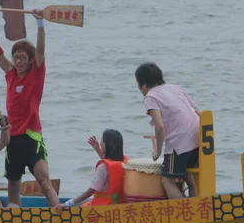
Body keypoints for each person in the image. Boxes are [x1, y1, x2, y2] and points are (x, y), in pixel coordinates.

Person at [0, 4, 59, 208]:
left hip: (32, 135)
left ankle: (59, 213)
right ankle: (15, 219)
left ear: (30, 60)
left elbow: (41, 49)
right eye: (16, 57)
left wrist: (40, 23)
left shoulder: (36, 73)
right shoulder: (10, 74)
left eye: (23, 58)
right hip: (12, 138)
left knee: (44, 181)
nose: (18, 61)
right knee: (13, 184)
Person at [135, 62, 200, 199]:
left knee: (167, 180)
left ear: (142, 85)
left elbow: (159, 126)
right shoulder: (176, 88)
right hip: (197, 139)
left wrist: (157, 151)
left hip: (179, 145)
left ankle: (184, 215)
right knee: (188, 176)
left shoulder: (150, 97)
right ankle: (196, 207)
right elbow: (197, 112)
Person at [57, 129, 128, 210]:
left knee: (76, 204)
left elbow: (90, 192)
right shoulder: (125, 163)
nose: (101, 143)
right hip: (119, 205)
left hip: (103, 207)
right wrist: (98, 149)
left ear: (107, 144)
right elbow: (111, 165)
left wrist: (67, 203)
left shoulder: (102, 167)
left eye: (102, 141)